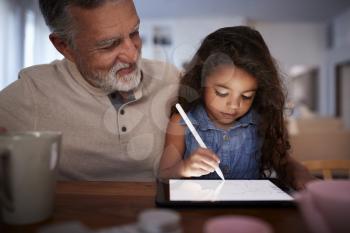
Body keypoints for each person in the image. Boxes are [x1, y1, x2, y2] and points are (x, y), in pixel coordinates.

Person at [0, 0, 180, 181]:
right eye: (109, 44)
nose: (133, 55)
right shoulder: (33, 93)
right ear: (64, 46)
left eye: (134, 33)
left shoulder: (171, 80)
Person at [158, 26, 314, 190]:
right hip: (197, 212)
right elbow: (164, 173)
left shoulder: (261, 120)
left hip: (249, 212)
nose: (234, 105)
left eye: (246, 96)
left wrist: (298, 172)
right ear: (201, 82)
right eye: (222, 92)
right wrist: (184, 168)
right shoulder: (181, 122)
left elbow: (282, 161)